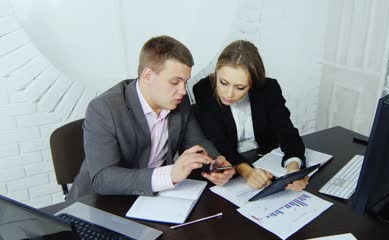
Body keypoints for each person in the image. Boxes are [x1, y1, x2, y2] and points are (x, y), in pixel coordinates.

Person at [68, 36, 235, 200]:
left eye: (185, 82)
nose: (183, 91)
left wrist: (216, 164)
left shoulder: (179, 100)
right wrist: (170, 174)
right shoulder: (103, 109)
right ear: (148, 76)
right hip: (98, 203)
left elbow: (197, 143)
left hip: (153, 198)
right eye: (175, 82)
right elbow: (103, 178)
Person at [193, 40, 307, 191]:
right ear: (217, 72)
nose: (229, 93)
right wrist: (248, 173)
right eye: (223, 82)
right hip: (230, 169)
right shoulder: (203, 90)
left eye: (240, 87)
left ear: (252, 83)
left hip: (266, 164)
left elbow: (286, 131)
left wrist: (293, 168)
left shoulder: (268, 89)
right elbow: (219, 141)